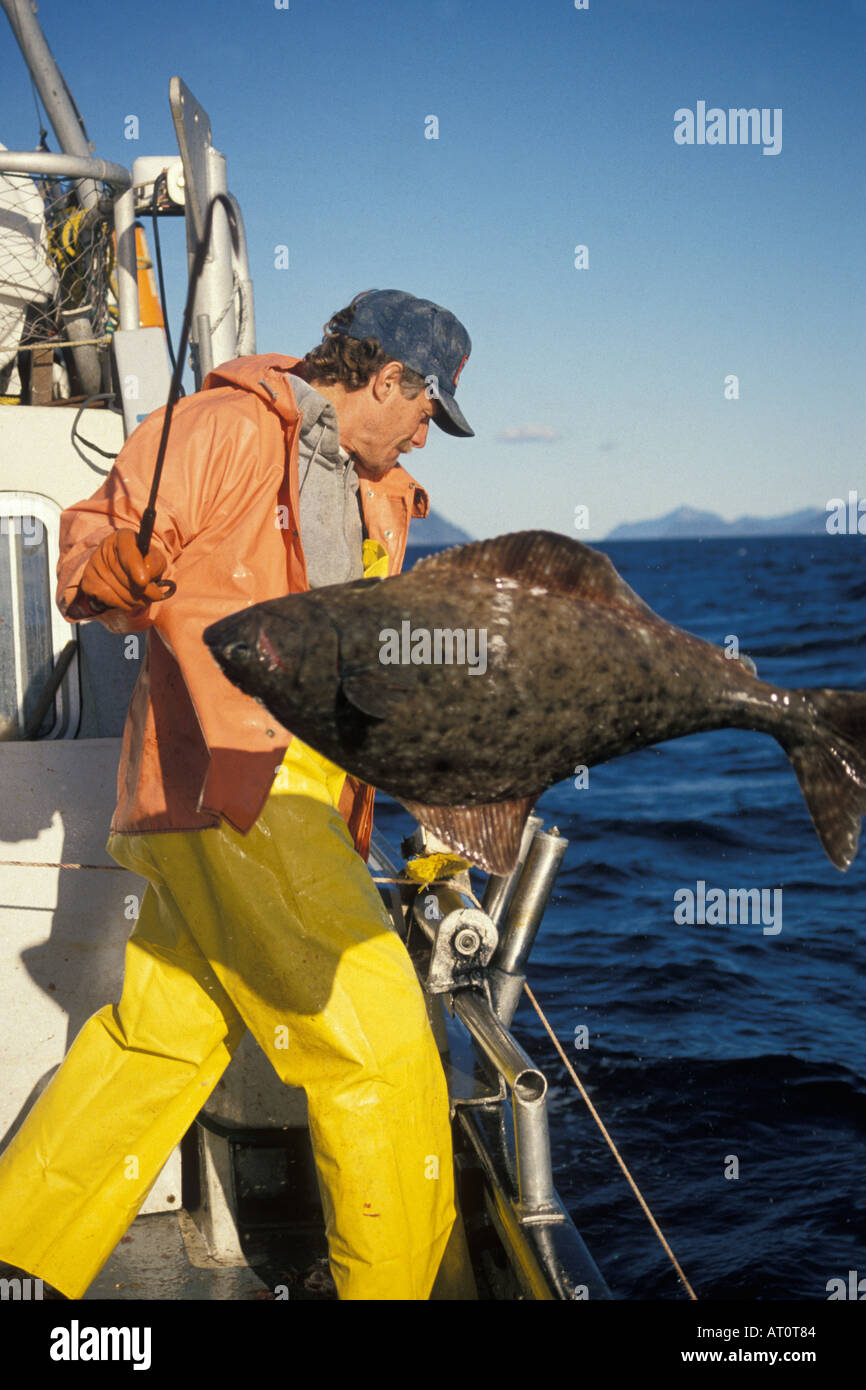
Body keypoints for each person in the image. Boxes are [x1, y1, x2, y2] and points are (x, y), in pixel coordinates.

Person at [0, 289, 477, 1300]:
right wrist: (113, 571)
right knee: (379, 1047)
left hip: (255, 804)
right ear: (386, 378)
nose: (425, 436)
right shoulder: (218, 427)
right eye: (426, 409)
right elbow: (93, 539)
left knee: (157, 1039)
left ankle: (18, 1253)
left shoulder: (377, 489)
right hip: (238, 786)